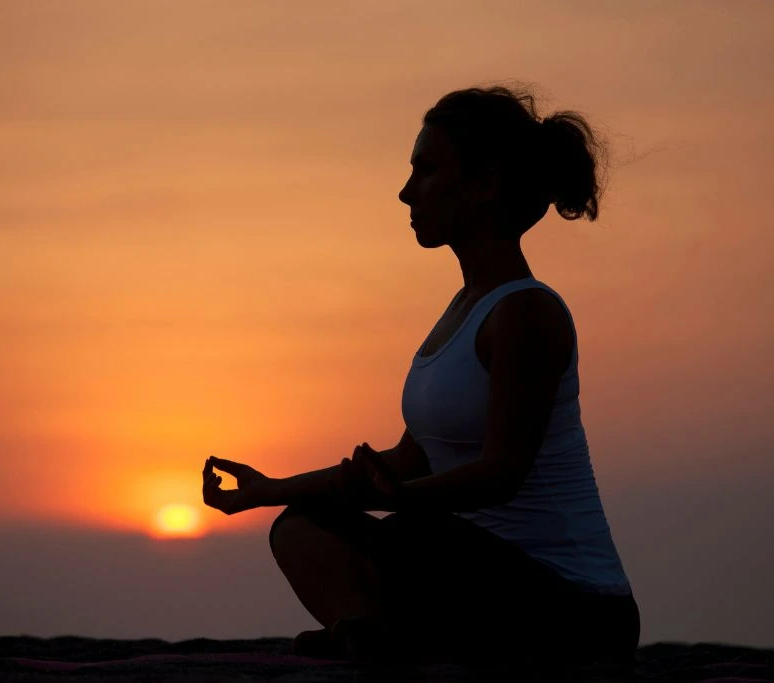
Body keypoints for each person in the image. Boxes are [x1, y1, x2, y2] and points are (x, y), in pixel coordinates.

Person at [202, 84, 640, 674]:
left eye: (427, 170)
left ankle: (392, 637)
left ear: (485, 184)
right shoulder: (464, 310)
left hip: (579, 611)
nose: (407, 192)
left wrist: (401, 502)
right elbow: (410, 458)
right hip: (470, 571)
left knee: (413, 541)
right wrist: (270, 489)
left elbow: (502, 474)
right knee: (302, 527)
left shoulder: (527, 314)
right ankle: (365, 634)